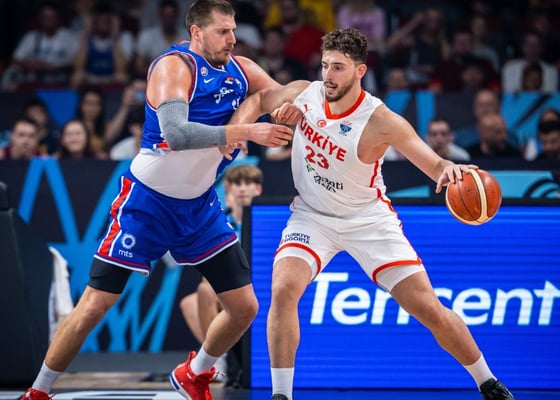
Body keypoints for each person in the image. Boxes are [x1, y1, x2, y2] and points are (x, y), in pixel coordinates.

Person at [20, 1, 299, 400]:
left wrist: (299, 100)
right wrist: (246, 131)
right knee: (95, 304)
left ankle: (195, 373)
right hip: (147, 204)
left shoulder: (241, 69)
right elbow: (177, 134)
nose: (232, 39)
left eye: (234, 30)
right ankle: (38, 391)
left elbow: (282, 92)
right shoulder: (174, 67)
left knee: (244, 308)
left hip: (199, 207)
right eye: (223, 31)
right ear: (196, 32)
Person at [229, 28, 515, 400]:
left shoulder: (381, 120)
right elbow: (260, 97)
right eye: (325, 65)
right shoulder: (305, 93)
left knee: (428, 308)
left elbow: (433, 163)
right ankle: (281, 395)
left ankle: (489, 383)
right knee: (283, 289)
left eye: (338, 68)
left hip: (367, 220)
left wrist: (449, 169)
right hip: (312, 217)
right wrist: (239, 131)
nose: (328, 75)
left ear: (360, 71)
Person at [180, 164, 264, 386]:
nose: (242, 189)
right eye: (237, 184)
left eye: (248, 183)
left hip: (259, 286)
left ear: (259, 189)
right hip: (232, 288)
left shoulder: (266, 220)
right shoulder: (220, 224)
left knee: (206, 292)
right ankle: (217, 360)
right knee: (192, 300)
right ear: (228, 191)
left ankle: (212, 358)